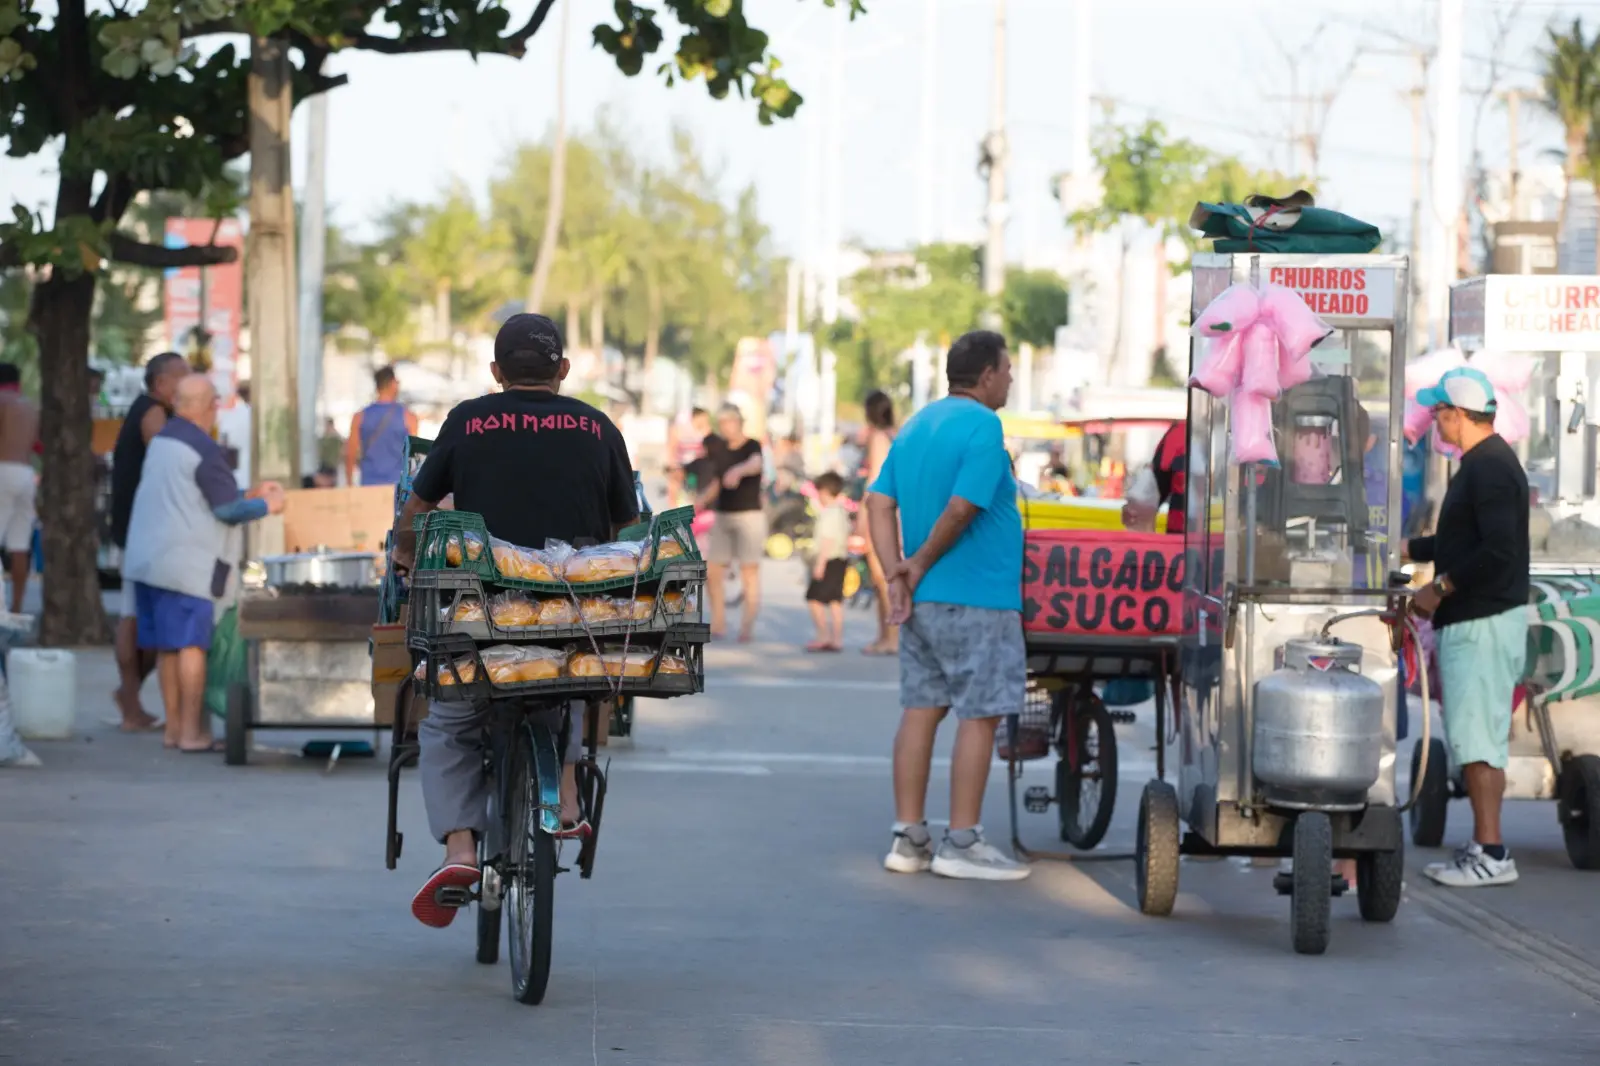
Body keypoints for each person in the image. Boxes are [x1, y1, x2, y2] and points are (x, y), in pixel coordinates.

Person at [389, 313, 638, 929]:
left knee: (449, 722)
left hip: (480, 615)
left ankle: (460, 849)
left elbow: (419, 508)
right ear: (563, 370)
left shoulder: (469, 420)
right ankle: (569, 793)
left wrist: (403, 556)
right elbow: (627, 531)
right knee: (575, 674)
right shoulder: (598, 427)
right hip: (571, 616)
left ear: (496, 372)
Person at [865, 330, 1029, 881]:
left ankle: (908, 837)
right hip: (978, 596)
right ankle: (962, 841)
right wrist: (915, 563)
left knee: (922, 709)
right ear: (986, 375)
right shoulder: (983, 426)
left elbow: (878, 502)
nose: (1011, 379)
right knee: (978, 717)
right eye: (1007, 369)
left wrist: (896, 571)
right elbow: (962, 509)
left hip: (925, 602)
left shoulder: (917, 425)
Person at [1407, 367, 1529, 888]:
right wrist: (1407, 551)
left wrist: (1440, 587)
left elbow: (1498, 552)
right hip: (1477, 621)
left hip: (1482, 623)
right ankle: (1484, 846)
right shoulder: (1480, 464)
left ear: (1458, 414)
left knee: (1478, 743)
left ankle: (1492, 852)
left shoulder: (1491, 468)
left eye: (1439, 411)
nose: (1434, 420)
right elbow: (1463, 542)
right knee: (1477, 739)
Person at [122, 375, 284, 752]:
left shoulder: (163, 440)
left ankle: (173, 729)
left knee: (167, 647)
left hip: (149, 560)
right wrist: (268, 505)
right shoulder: (205, 448)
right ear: (206, 406)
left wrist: (247, 493)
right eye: (214, 402)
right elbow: (226, 510)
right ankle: (192, 732)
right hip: (187, 565)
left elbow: (197, 493)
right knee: (192, 645)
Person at [108, 351, 189, 732]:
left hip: (142, 527)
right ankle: (129, 699)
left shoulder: (151, 411)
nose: (186, 383)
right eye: (181, 377)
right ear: (161, 383)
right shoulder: (153, 414)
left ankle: (129, 696)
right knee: (133, 616)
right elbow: (168, 465)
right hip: (140, 529)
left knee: (143, 616)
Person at [699, 403, 765, 642]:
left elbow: (755, 463)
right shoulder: (720, 450)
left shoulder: (752, 445)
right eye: (723, 423)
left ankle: (747, 626)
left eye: (730, 422)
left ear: (739, 422)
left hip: (749, 516)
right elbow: (717, 482)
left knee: (749, 571)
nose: (727, 427)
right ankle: (719, 623)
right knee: (713, 571)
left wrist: (738, 471)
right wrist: (699, 502)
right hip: (723, 515)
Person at [859, 390, 899, 656]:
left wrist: (863, 519)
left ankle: (890, 637)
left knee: (881, 577)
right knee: (887, 575)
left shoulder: (878, 438)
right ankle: (885, 634)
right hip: (898, 511)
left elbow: (875, 480)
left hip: (880, 512)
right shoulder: (897, 434)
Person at [0, 364, 38, 616]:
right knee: (19, 545)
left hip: (2, 469)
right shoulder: (30, 406)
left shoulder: (2, 402)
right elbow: (38, 445)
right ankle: (16, 607)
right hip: (26, 473)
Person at [344, 365, 418, 487]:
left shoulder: (359, 417)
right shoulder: (409, 417)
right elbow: (413, 457)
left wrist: (349, 483)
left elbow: (350, 453)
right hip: (398, 486)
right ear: (392, 384)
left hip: (369, 484)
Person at [805, 472, 851, 653]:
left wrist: (820, 564)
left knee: (813, 598)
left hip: (829, 559)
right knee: (835, 600)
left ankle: (823, 635)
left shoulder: (830, 513)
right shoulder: (841, 512)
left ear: (824, 491)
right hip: (840, 559)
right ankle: (837, 638)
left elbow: (827, 540)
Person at [1121, 420, 1188, 534]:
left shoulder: (1179, 433)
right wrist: (1134, 509)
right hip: (1180, 535)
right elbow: (1150, 489)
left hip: (1185, 533)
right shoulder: (1179, 434)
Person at [216, 380, 251, 491]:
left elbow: (222, 445)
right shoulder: (262, 416)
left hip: (236, 478)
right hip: (256, 479)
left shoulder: (229, 417)